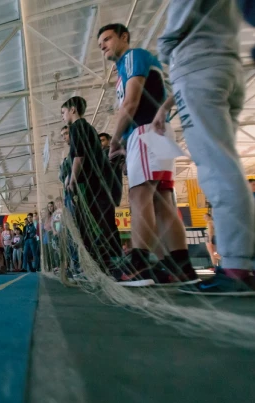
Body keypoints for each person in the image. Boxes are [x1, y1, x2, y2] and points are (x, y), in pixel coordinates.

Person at [153, 0, 255, 295]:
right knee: (227, 164)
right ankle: (242, 261)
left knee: (216, 168)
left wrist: (165, 49)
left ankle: (236, 267)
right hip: (226, 65)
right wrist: (167, 104)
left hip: (198, 64)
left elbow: (175, 29)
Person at [98, 24, 198, 286]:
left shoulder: (133, 57)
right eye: (100, 44)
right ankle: (180, 266)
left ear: (124, 37)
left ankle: (139, 266)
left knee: (139, 195)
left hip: (144, 132)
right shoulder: (125, 69)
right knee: (163, 201)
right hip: (156, 134)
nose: (103, 46)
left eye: (107, 39)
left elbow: (130, 104)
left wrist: (115, 141)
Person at [61, 96, 122, 278]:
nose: (63, 117)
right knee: (97, 224)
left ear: (73, 110)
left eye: (63, 112)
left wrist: (72, 178)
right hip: (96, 186)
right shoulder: (88, 129)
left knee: (91, 226)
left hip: (90, 187)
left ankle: (103, 266)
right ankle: (105, 264)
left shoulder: (78, 127)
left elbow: (79, 156)